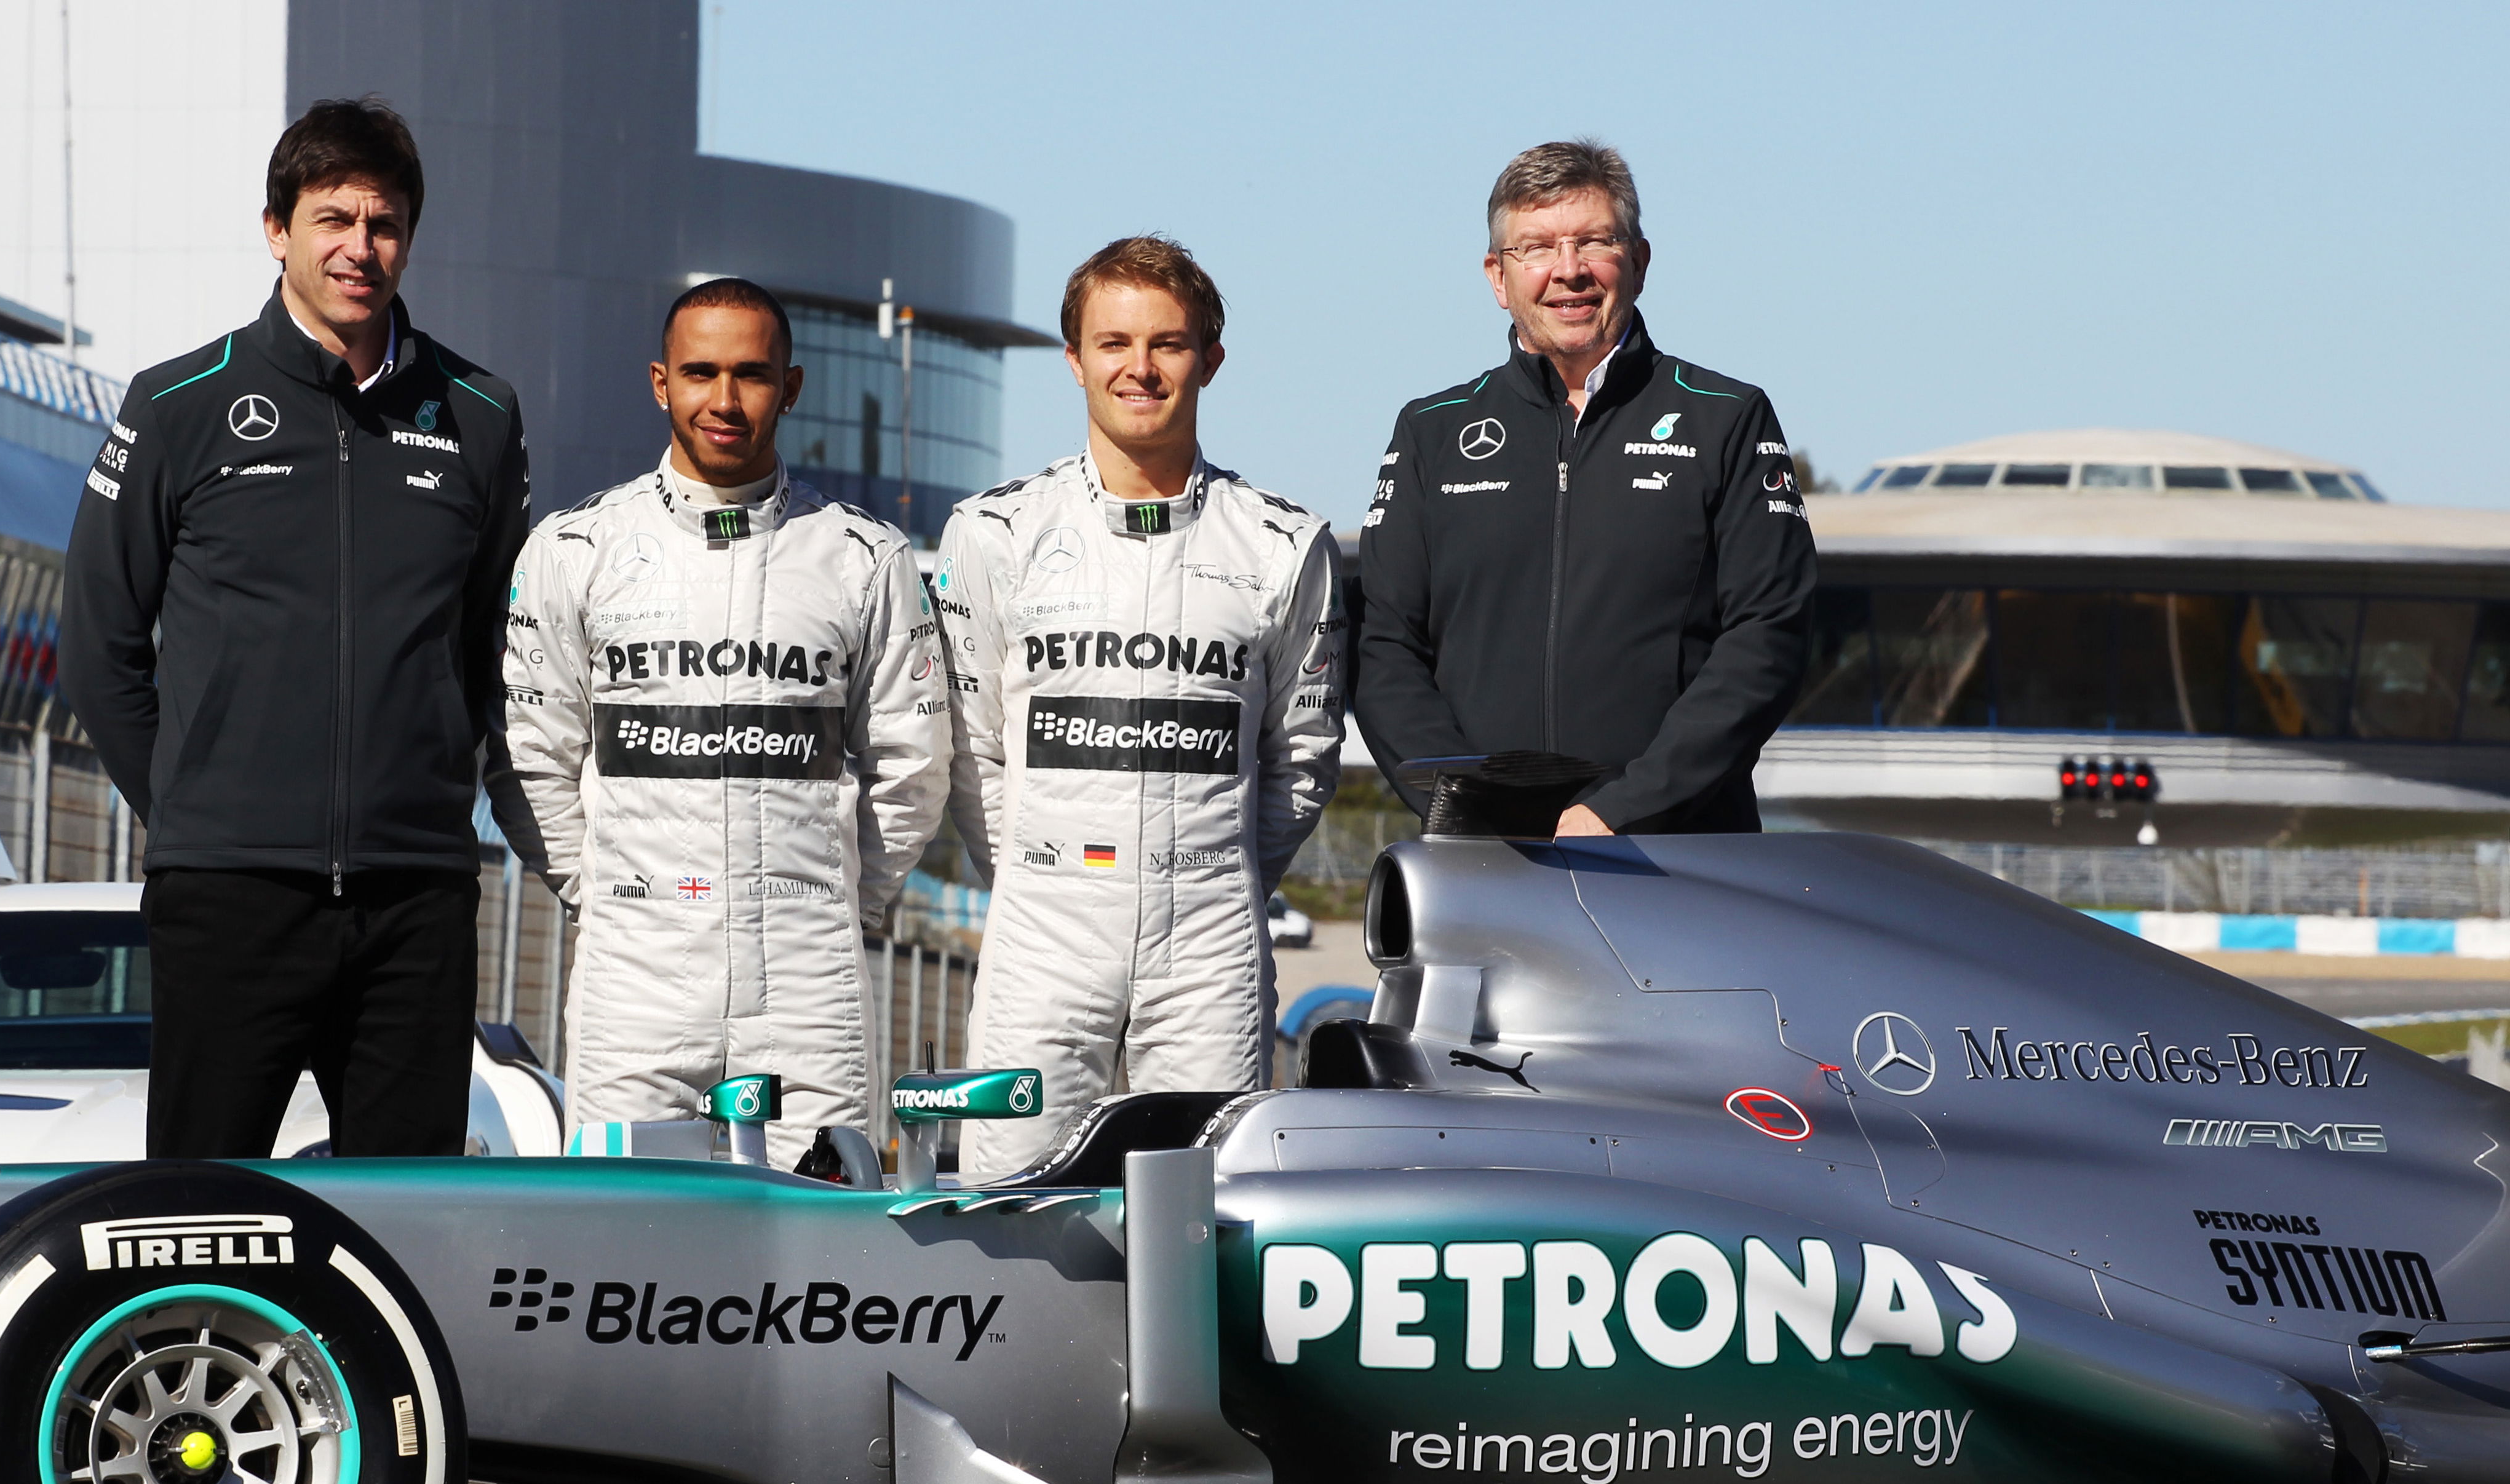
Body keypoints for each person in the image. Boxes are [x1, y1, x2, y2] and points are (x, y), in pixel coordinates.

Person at [62, 98, 530, 1157]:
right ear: (277, 229)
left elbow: (497, 649)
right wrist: (196, 810)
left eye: (384, 223)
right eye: (333, 219)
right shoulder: (177, 402)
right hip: (230, 896)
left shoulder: (481, 415)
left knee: (410, 1232)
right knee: (196, 1213)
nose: (359, 248)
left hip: (416, 897)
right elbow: (100, 647)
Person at [502, 277, 947, 1170]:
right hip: (635, 968)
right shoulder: (574, 548)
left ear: (792, 386)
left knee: (821, 1252)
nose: (725, 399)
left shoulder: (865, 556)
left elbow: (914, 763)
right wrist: (609, 896)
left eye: (752, 374)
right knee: (621, 1246)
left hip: (809, 972)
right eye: (701, 372)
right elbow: (530, 756)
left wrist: (833, 899)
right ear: (661, 382)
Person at [937, 236, 1341, 1176]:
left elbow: (1303, 759)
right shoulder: (994, 532)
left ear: (1211, 358)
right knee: (1008, 1198)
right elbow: (972, 752)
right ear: (1074, 358)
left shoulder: (1285, 544)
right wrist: (1042, 873)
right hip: (1042, 925)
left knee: (1208, 1210)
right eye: (1114, 343)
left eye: (1168, 343)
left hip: (1209, 934)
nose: (1141, 368)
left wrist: (1215, 872)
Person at [1356, 140, 1814, 833]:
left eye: (1594, 241)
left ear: (1639, 261)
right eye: (1536, 248)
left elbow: (1769, 634)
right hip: (1488, 861)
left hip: (1675, 861)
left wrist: (1620, 810)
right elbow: (1385, 645)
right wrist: (1473, 808)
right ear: (1497, 277)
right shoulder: (1432, 432)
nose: (1568, 272)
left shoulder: (1727, 417)